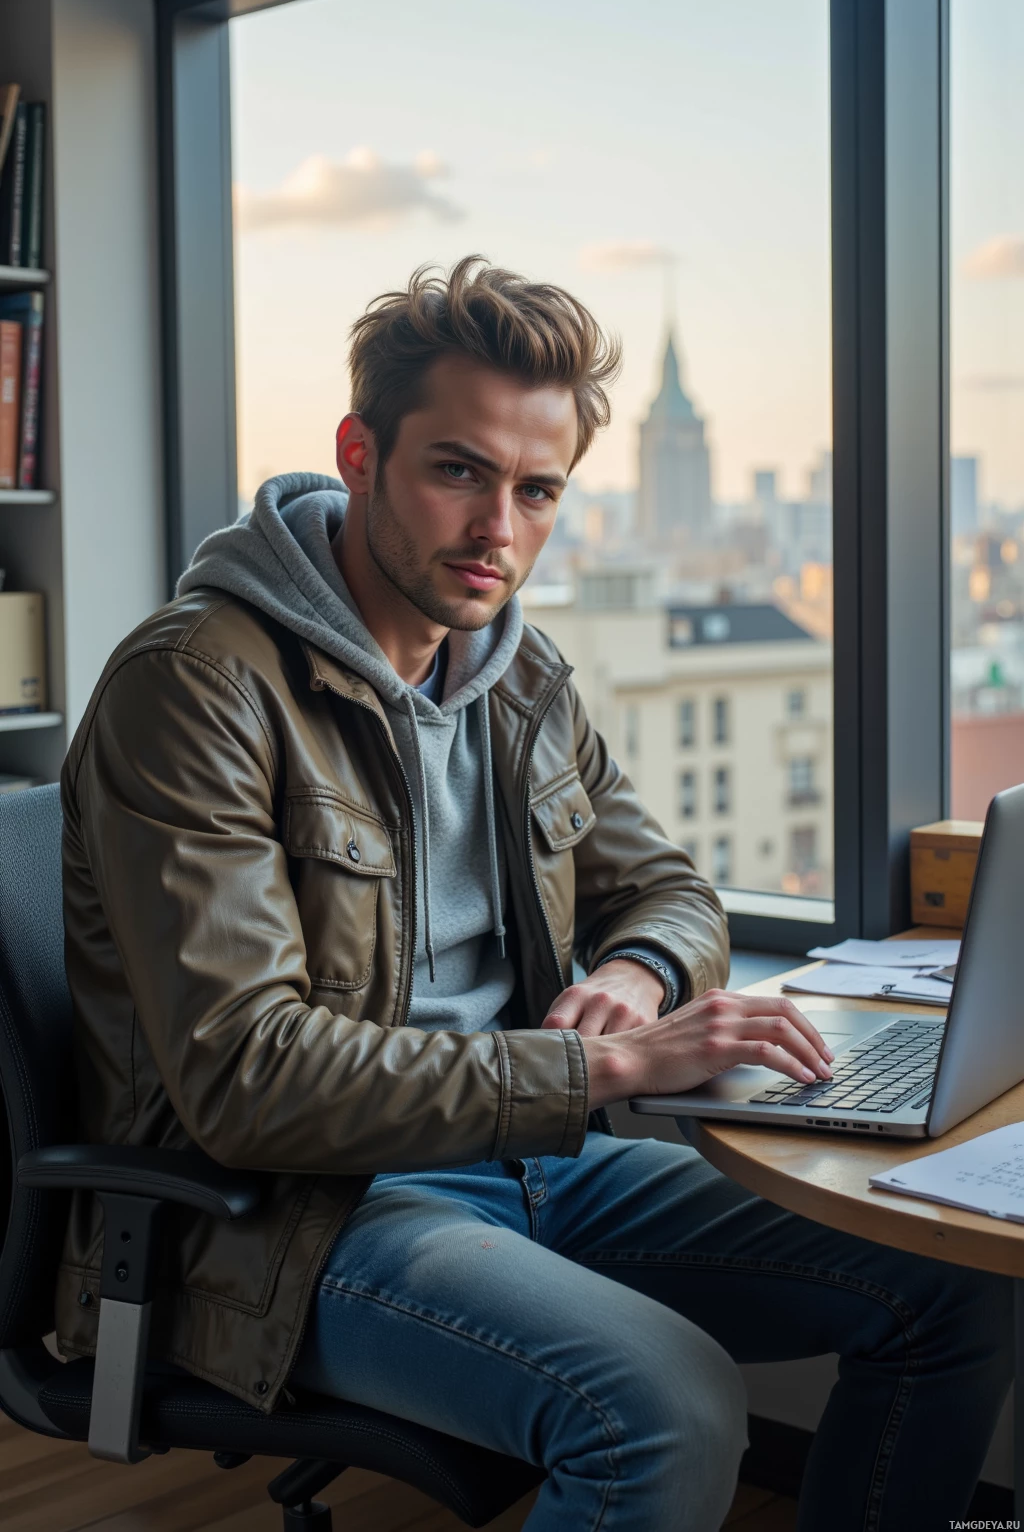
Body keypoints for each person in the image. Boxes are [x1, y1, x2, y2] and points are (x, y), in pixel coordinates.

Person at [58, 257, 1010, 1531]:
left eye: (537, 489)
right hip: (301, 1216)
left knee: (952, 1288)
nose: (497, 529)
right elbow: (247, 1079)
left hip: (529, 1159)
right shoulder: (197, 687)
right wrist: (601, 1075)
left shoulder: (515, 674)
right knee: (663, 1408)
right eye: (458, 471)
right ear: (359, 452)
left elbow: (668, 887)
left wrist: (636, 977)